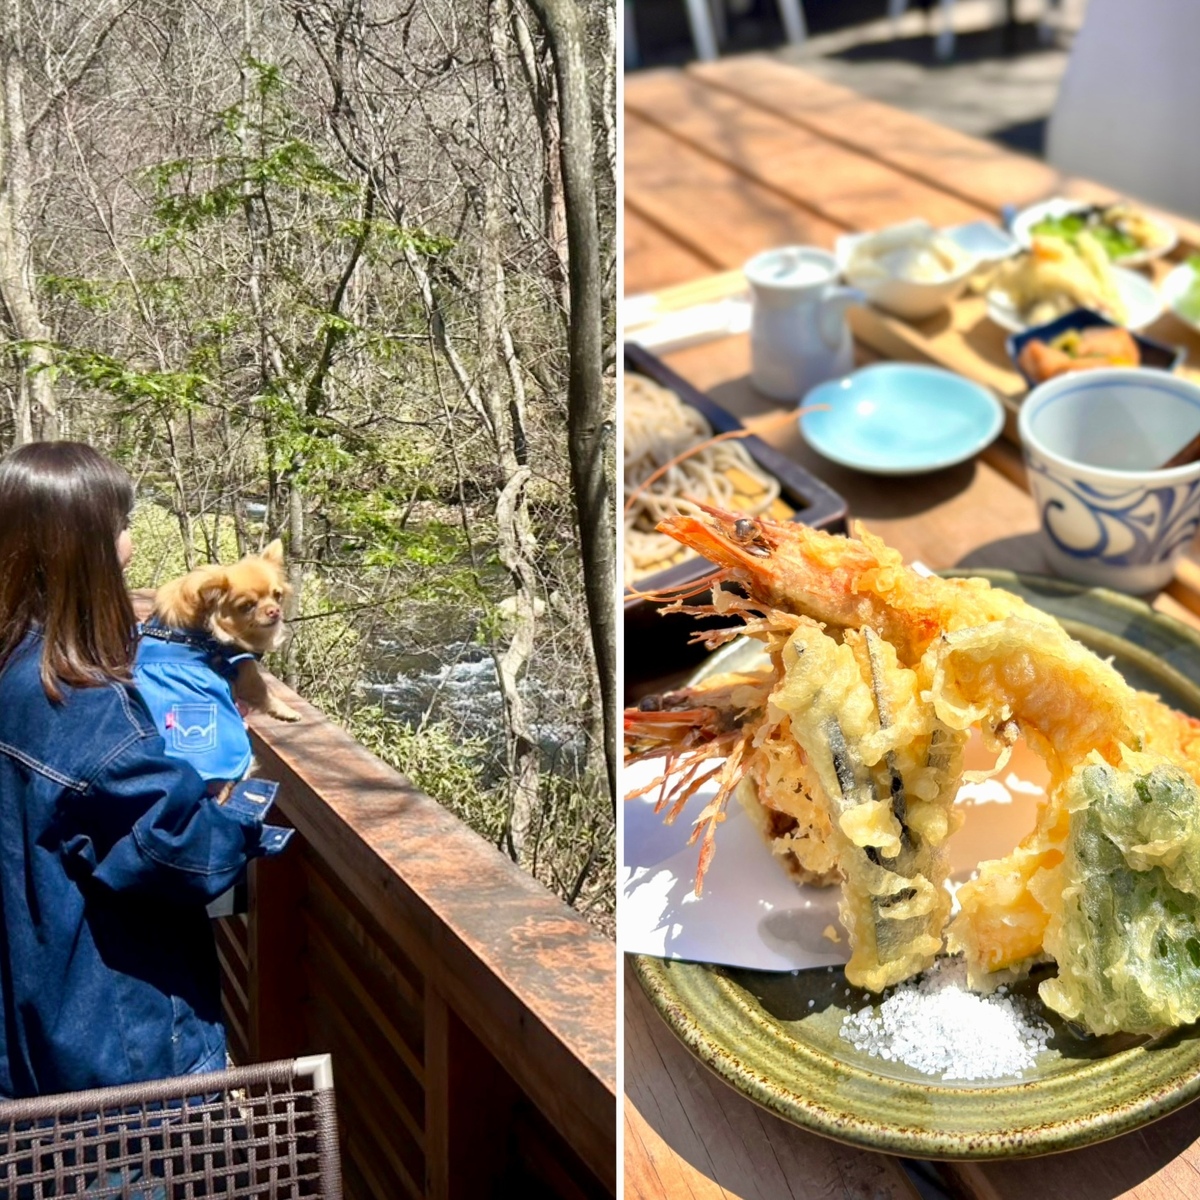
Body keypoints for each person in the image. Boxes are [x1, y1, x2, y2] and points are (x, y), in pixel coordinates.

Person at [0, 441, 292, 1104]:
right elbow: (193, 856)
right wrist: (228, 791)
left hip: (24, 1054)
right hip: (112, 1083)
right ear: (82, 549)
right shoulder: (81, 712)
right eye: (122, 528)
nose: (130, 547)